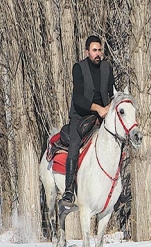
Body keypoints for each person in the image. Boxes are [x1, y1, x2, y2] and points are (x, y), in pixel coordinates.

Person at [60, 35, 116, 210]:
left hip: (103, 116)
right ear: (87, 52)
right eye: (94, 50)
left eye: (100, 50)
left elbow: (112, 91)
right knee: (75, 145)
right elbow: (78, 98)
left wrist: (109, 106)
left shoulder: (107, 68)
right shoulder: (79, 68)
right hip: (81, 116)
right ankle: (68, 190)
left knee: (117, 144)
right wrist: (97, 108)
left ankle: (117, 192)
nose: (98, 53)